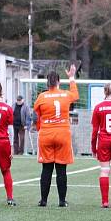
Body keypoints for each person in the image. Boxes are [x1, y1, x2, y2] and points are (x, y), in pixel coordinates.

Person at [33, 64, 78, 207]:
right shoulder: (65, 94)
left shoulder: (42, 96)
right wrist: (71, 77)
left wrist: (40, 129)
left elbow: (37, 116)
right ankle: (62, 201)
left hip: (46, 134)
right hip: (62, 134)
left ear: (47, 82)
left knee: (46, 169)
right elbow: (75, 95)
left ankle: (44, 200)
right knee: (61, 170)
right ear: (58, 81)